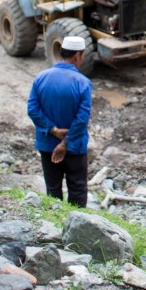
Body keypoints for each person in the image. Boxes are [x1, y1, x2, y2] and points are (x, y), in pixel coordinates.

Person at [26, 36, 93, 206]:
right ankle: (78, 225)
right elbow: (82, 117)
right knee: (77, 189)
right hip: (75, 145)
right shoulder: (83, 83)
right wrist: (66, 142)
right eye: (83, 55)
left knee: (53, 189)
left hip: (48, 144)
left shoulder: (41, 78)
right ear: (77, 56)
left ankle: (53, 225)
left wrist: (52, 130)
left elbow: (32, 110)